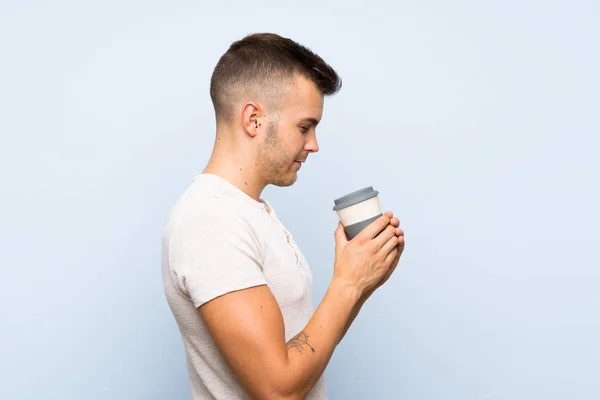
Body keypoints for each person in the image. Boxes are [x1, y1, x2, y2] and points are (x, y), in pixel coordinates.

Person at [161, 32, 406, 400]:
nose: (314, 144)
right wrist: (347, 285)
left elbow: (301, 349)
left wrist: (362, 281)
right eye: (305, 126)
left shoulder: (248, 211)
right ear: (253, 119)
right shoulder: (209, 220)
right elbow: (277, 389)